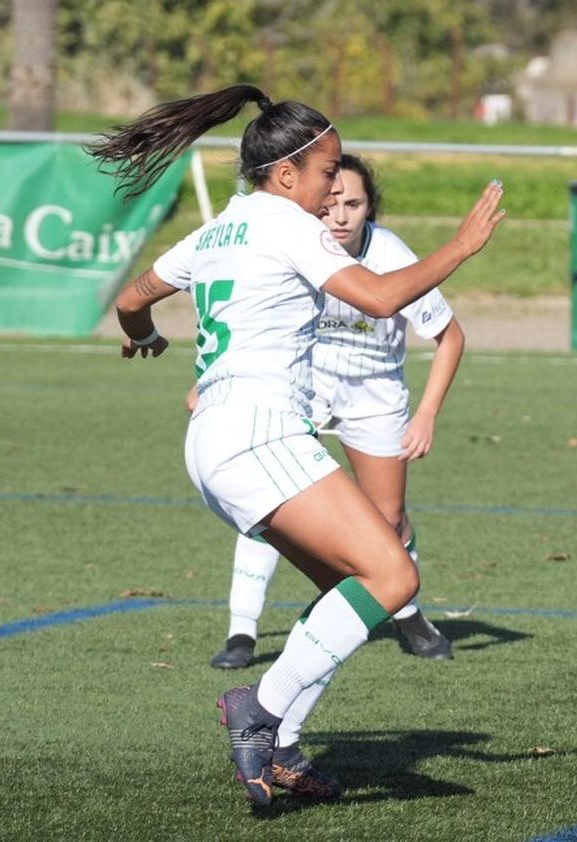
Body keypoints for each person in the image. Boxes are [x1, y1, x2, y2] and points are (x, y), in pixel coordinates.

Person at [89, 85, 504, 805]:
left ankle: (280, 747)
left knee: (348, 596)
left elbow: (130, 299)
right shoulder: (287, 224)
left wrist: (147, 338)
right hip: (260, 432)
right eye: (325, 172)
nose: (332, 188)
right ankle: (259, 712)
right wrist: (462, 246)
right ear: (286, 176)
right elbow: (377, 299)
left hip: (212, 440)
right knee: (395, 577)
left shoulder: (216, 230)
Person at [208, 152, 466, 670]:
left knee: (385, 520)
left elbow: (451, 336)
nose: (341, 214)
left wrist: (427, 414)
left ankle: (407, 611)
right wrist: (213, 383)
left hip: (375, 393)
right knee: (269, 507)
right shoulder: (294, 242)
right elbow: (239, 314)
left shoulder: (389, 253)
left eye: (355, 203)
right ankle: (242, 633)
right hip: (304, 384)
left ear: (371, 207)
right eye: (332, 202)